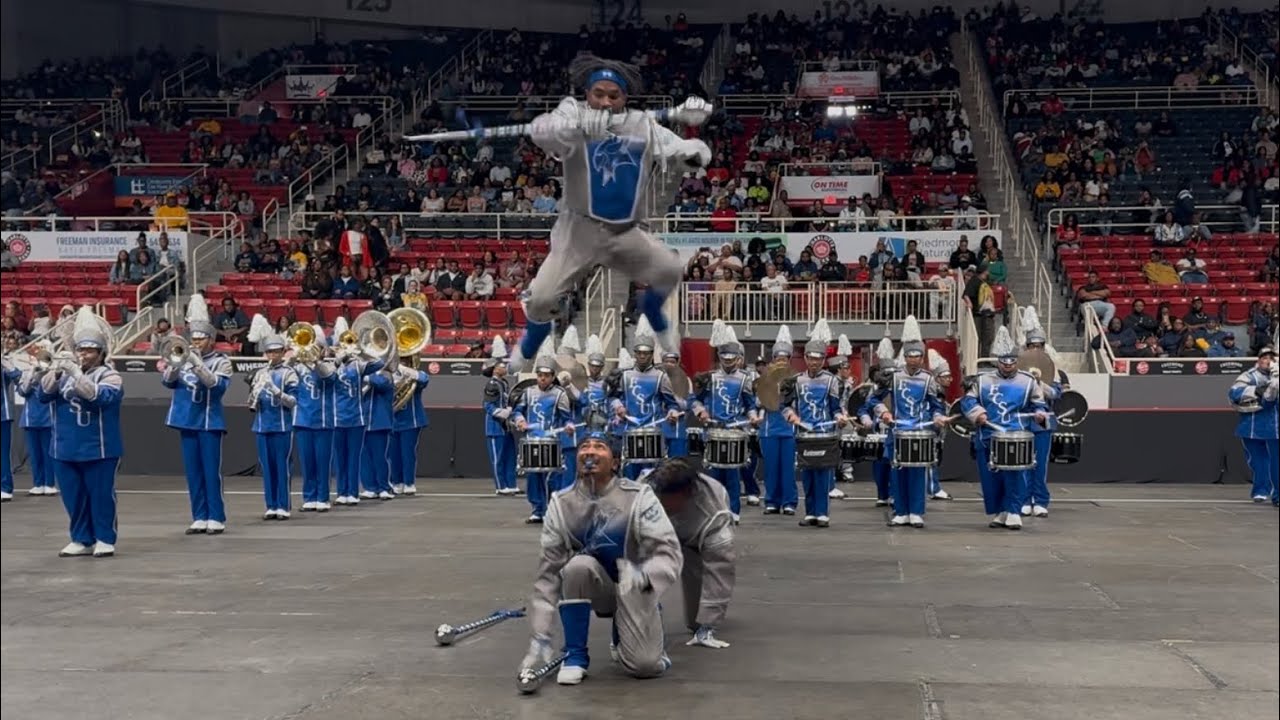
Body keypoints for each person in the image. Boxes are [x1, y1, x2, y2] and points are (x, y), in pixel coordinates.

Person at [505, 55, 713, 371]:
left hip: (626, 231)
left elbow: (678, 149)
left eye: (613, 96)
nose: (605, 101)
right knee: (541, 299)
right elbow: (543, 132)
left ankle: (654, 314)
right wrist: (567, 126)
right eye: (598, 94)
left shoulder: (642, 124)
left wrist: (694, 151)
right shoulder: (572, 112)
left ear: (624, 98)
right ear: (587, 94)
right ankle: (531, 343)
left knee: (669, 270)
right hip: (579, 231)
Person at [518, 432, 681, 686]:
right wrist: (541, 632)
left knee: (645, 666)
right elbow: (548, 574)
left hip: (636, 586)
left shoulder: (639, 496)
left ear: (615, 462)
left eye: (599, 447)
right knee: (576, 567)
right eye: (584, 447)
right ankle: (575, 655)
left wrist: (645, 579)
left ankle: (638, 622)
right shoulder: (560, 504)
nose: (590, 452)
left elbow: (669, 552)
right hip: (596, 583)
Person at [37, 308, 124, 557]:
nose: (82, 355)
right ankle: (80, 537)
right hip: (64, 446)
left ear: (100, 353)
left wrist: (76, 374)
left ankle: (105, 537)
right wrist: (54, 372)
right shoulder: (64, 374)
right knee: (73, 497)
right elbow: (43, 395)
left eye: (88, 351)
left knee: (100, 496)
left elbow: (98, 398)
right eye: (80, 350)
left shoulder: (111, 375)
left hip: (99, 446)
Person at [862, 317, 948, 528]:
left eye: (917, 356)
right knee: (897, 471)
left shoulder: (929, 380)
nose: (913, 360)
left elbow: (936, 405)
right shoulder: (893, 377)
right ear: (905, 357)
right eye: (909, 356)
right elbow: (873, 400)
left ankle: (916, 511)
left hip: (919, 431)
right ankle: (900, 511)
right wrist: (884, 413)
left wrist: (937, 417)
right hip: (897, 430)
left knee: (918, 472)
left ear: (922, 358)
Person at [961, 327, 1049, 530]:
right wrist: (977, 413)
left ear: (1017, 361)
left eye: (1012, 362)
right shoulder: (982, 380)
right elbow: (967, 401)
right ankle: (1001, 511)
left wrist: (1039, 413)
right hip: (988, 434)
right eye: (1004, 362)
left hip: (1015, 435)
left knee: (1015, 475)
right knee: (991, 478)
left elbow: (1039, 404)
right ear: (997, 361)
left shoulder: (1028, 381)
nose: (1008, 367)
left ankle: (1014, 511)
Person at [646, 458, 736, 648]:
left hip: (697, 535)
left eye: (669, 500)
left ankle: (704, 626)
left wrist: (707, 625)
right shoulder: (643, 491)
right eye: (661, 498)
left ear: (688, 493)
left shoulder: (715, 510)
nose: (664, 504)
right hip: (654, 533)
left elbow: (719, 572)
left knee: (697, 619)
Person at [162, 295, 232, 535]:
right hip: (187, 421)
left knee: (211, 472)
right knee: (193, 472)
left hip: (209, 421)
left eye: (202, 339)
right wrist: (176, 363)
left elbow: (216, 386)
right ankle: (199, 515)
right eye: (195, 339)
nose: (197, 343)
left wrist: (197, 363)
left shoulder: (221, 361)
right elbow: (168, 383)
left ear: (211, 340)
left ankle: (216, 516)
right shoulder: (183, 358)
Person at [782, 338, 849, 528]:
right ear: (804, 358)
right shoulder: (796, 381)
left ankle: (822, 513)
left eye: (818, 359)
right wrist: (792, 417)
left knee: (823, 476)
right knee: (808, 477)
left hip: (825, 435)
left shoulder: (832, 381)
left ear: (824, 360)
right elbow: (784, 406)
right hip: (804, 435)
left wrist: (840, 418)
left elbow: (836, 408)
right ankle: (810, 512)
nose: (814, 363)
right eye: (811, 358)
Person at [691, 332, 756, 522]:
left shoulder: (744, 379)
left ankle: (734, 511)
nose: (728, 362)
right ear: (720, 358)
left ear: (738, 359)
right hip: (714, 430)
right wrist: (700, 411)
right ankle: (715, 511)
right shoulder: (709, 378)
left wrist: (752, 417)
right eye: (725, 358)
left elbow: (750, 404)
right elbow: (694, 400)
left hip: (735, 430)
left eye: (732, 358)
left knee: (733, 473)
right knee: (714, 474)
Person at [609, 328, 683, 480]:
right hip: (630, 432)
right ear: (634, 353)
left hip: (653, 433)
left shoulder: (661, 377)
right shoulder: (624, 375)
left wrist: (672, 412)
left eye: (646, 353)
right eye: (639, 352)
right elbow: (612, 397)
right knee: (630, 478)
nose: (642, 356)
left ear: (651, 354)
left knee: (652, 478)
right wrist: (618, 406)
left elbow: (672, 404)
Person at [511, 356, 576, 523]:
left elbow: (566, 417)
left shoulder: (559, 394)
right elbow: (517, 411)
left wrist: (569, 426)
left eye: (546, 375)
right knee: (533, 476)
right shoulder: (529, 392)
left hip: (551, 442)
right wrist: (520, 420)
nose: (542, 378)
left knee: (551, 477)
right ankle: (537, 509)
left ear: (553, 377)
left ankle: (551, 509)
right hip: (532, 440)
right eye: (540, 375)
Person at [1019, 307, 1065, 518]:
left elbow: (1056, 393)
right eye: (1032, 345)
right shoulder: (1018, 366)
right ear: (1026, 346)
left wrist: (1041, 383)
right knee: (1022, 462)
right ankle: (1024, 499)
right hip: (1022, 419)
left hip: (1043, 420)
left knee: (1040, 464)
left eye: (1039, 345)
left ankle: (1040, 499)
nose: (1036, 349)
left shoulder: (1051, 367)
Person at [249, 335, 298, 520]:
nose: (272, 355)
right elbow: (253, 401)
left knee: (282, 466)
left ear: (283, 353)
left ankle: (283, 505)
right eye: (269, 352)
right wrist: (254, 394)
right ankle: (271, 505)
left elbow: (293, 401)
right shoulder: (260, 372)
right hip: (262, 425)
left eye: (276, 352)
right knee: (267, 467)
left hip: (282, 425)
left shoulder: (289, 373)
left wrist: (275, 390)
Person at [291, 326, 339, 508]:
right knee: (307, 462)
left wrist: (316, 362)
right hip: (302, 419)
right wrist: (292, 359)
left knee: (323, 462)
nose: (312, 350)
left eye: (317, 347)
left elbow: (327, 378)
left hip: (323, 420)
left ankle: (323, 497)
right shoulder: (297, 367)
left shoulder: (329, 366)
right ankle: (309, 497)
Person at [1228, 346, 1278, 504]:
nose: (1268, 361)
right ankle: (1260, 490)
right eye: (1264, 358)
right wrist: (1256, 390)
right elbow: (1233, 393)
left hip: (1275, 427)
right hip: (1252, 426)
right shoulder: (1249, 375)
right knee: (1258, 461)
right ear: (1259, 360)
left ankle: (1276, 493)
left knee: (1275, 461)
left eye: (1271, 357)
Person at [758, 327, 797, 516]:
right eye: (778, 358)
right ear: (773, 359)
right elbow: (758, 401)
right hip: (769, 429)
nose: (781, 361)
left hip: (789, 430)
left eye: (785, 358)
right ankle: (772, 501)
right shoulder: (764, 379)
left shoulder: (796, 379)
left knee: (788, 470)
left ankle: (789, 502)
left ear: (789, 359)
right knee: (771, 469)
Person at [15, 343, 57, 496]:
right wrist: (32, 373)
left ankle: (50, 483)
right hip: (30, 420)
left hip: (48, 419)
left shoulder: (52, 375)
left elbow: (52, 390)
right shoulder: (28, 374)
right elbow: (23, 391)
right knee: (34, 453)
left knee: (48, 453)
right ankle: (38, 483)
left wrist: (45, 374)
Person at [482, 338, 520, 496]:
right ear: (494, 369)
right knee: (497, 458)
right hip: (495, 426)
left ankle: (511, 484)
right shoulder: (492, 384)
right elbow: (488, 406)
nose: (504, 367)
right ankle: (500, 485)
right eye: (500, 365)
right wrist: (502, 413)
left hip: (506, 426)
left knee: (510, 455)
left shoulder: (504, 383)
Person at [389, 360, 430, 496]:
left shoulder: (415, 375)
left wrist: (407, 372)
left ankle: (409, 482)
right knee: (393, 454)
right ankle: (397, 482)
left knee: (408, 453)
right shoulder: (389, 374)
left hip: (411, 420)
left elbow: (424, 380)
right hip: (393, 419)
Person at [359, 356, 397, 500]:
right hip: (363, 421)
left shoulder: (386, 375)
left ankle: (384, 487)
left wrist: (367, 377)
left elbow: (383, 384)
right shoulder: (363, 376)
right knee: (364, 457)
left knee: (380, 457)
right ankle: (370, 487)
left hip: (379, 423)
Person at [1, 350, 20, 501]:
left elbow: (18, 378)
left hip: (2, 415)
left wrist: (9, 366)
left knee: (2, 454)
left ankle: (5, 487)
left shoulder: (3, 365)